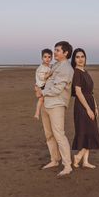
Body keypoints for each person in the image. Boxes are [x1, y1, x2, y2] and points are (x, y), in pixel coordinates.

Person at [35, 41, 75, 177]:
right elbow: (44, 79)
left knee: (59, 135)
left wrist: (42, 92)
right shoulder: (55, 65)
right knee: (49, 134)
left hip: (57, 105)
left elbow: (58, 89)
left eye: (58, 50)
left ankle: (67, 165)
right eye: (55, 50)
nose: (55, 53)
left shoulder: (67, 69)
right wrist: (39, 88)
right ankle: (54, 159)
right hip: (46, 104)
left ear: (65, 53)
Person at [71, 48, 99, 169]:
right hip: (82, 106)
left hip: (89, 103)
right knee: (90, 131)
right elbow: (78, 92)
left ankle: (85, 161)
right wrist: (88, 109)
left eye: (82, 56)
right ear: (74, 59)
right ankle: (78, 156)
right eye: (77, 57)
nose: (80, 59)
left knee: (90, 133)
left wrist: (95, 106)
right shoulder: (76, 72)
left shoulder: (85, 71)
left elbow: (91, 92)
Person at [34, 48, 53, 120]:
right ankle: (37, 113)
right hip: (41, 86)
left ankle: (46, 112)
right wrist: (50, 74)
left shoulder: (49, 66)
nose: (47, 59)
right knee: (41, 99)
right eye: (45, 57)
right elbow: (42, 78)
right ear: (42, 58)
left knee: (46, 100)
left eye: (49, 57)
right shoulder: (41, 68)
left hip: (45, 85)